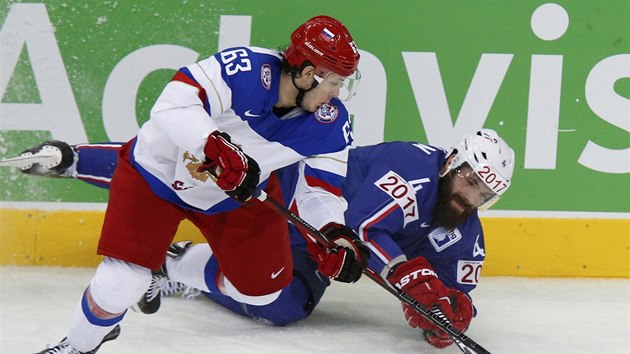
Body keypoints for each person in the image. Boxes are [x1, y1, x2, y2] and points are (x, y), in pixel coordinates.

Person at [25, 15, 370, 354]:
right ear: (309, 74)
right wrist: (212, 143)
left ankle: (175, 260)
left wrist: (333, 231)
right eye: (335, 82)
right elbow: (171, 105)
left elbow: (321, 190)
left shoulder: (331, 125)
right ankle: (78, 345)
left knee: (262, 292)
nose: (337, 94)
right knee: (120, 284)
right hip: (156, 176)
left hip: (235, 198)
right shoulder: (246, 70)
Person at [9, 128, 515, 350]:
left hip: (320, 246)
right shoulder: (416, 167)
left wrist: (444, 318)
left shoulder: (465, 234)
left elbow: (454, 298)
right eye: (471, 181)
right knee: (186, 178)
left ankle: (175, 265)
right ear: (454, 162)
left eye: (484, 194)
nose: (471, 197)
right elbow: (363, 228)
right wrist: (412, 276)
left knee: (286, 306)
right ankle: (75, 158)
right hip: (297, 202)